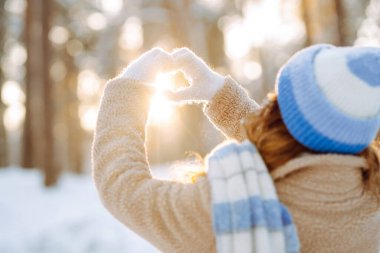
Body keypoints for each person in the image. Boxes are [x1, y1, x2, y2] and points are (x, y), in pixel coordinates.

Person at [92, 45, 380, 253]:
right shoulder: (372, 200)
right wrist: (220, 95)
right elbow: (301, 154)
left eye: (278, 99)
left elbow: (123, 187)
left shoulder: (230, 209)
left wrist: (127, 92)